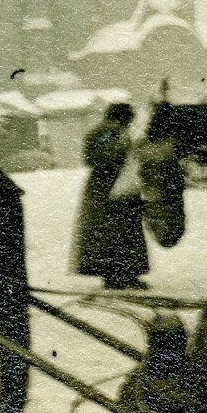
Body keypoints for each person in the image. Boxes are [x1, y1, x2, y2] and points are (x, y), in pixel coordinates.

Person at [72, 103, 150, 290]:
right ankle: (119, 275)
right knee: (117, 231)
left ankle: (122, 274)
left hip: (108, 186)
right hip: (110, 186)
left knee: (116, 231)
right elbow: (99, 156)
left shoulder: (107, 131)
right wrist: (125, 153)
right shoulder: (108, 132)